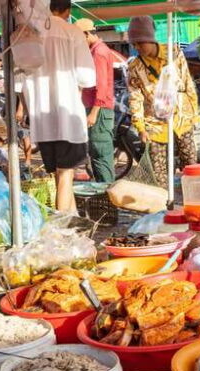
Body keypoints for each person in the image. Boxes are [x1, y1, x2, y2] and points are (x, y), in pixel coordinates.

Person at [22, 0, 95, 212]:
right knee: (65, 175)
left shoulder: (31, 34)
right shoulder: (72, 32)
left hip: (41, 118)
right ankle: (62, 228)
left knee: (59, 175)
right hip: (67, 115)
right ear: (68, 10)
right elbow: (87, 78)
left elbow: (20, 80)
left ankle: (72, 221)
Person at [127, 16, 198, 189]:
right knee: (159, 175)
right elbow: (135, 98)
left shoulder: (173, 53)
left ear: (149, 38)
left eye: (140, 43)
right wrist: (140, 127)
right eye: (134, 44)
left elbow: (188, 82)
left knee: (191, 165)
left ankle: (195, 201)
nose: (137, 48)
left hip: (181, 119)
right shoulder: (134, 67)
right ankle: (164, 208)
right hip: (155, 124)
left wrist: (193, 113)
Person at [75, 18, 116, 184]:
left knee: (100, 153)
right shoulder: (94, 50)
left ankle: (106, 193)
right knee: (97, 153)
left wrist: (93, 113)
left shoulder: (99, 52)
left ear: (86, 34)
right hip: (96, 109)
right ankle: (104, 192)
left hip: (99, 110)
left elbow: (102, 86)